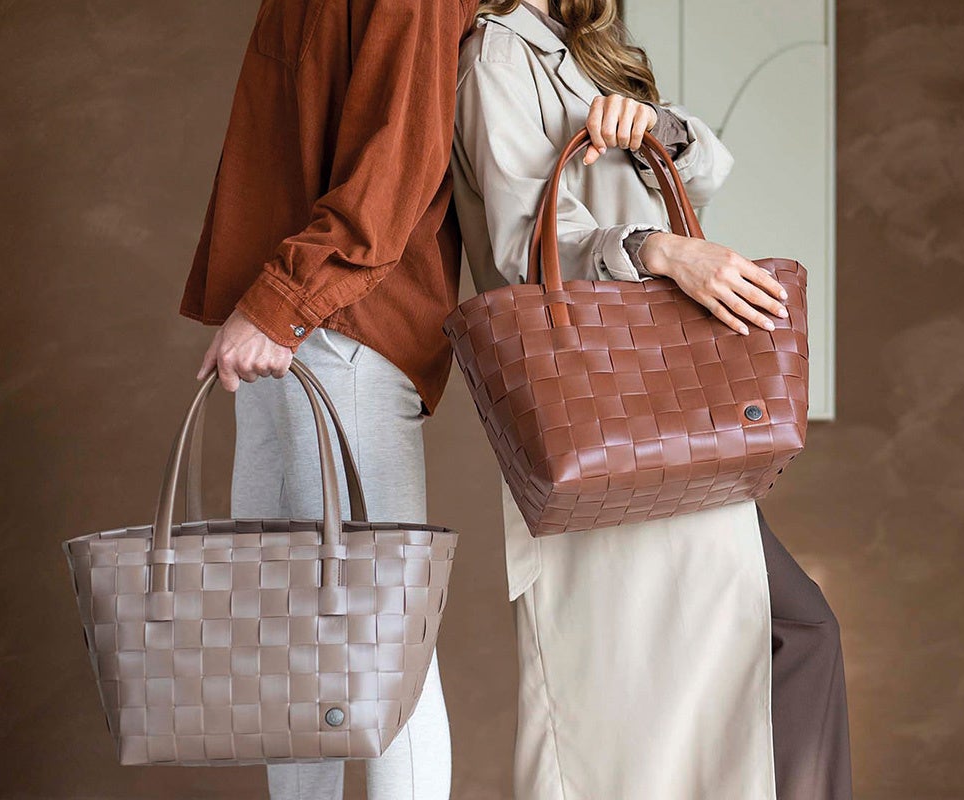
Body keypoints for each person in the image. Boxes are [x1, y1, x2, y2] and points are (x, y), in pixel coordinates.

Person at [450, 1, 853, 798]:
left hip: (664, 403)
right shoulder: (497, 52)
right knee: (636, 712)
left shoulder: (589, 46)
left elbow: (703, 167)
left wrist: (654, 128)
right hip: (597, 403)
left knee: (761, 655)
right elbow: (520, 244)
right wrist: (660, 250)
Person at [178, 1, 476, 798]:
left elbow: (395, 162)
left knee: (384, 641)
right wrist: (270, 305)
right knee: (290, 636)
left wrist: (281, 304)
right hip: (293, 322)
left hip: (340, 326)